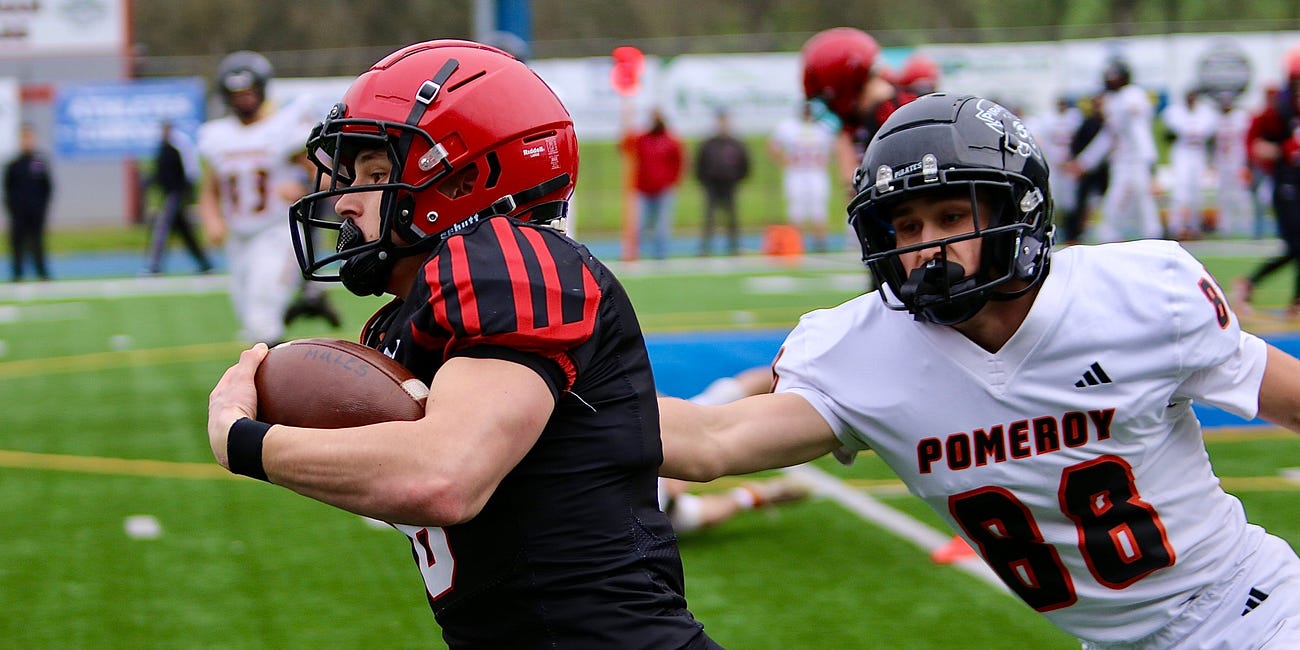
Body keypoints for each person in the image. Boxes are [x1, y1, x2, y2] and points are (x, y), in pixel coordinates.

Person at [658, 93, 1300, 648]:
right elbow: (713, 442)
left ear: (1012, 212)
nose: (926, 246)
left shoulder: (1136, 295)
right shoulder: (860, 351)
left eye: (951, 216)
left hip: (1255, 613)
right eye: (906, 226)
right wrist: (567, 394)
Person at [207, 40, 719, 649]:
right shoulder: (407, 320)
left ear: (466, 181)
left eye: (375, 175)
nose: (343, 201)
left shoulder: (507, 263)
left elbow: (443, 478)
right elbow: (708, 441)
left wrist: (246, 442)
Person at [197, 50, 338, 345]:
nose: (243, 99)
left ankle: (275, 384)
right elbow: (210, 189)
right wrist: (211, 220)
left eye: (249, 91)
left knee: (262, 319)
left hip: (278, 232)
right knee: (251, 319)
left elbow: (324, 176)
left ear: (262, 89)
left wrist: (300, 189)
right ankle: (277, 376)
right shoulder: (217, 135)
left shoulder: (282, 127)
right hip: (239, 238)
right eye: (236, 93)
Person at [660, 367, 809, 534]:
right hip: (651, 502)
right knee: (707, 514)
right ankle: (756, 494)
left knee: (725, 396)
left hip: (653, 453)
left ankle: (794, 371)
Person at [1067, 58, 1162, 243]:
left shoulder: (1133, 95)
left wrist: (1150, 163)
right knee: (1114, 202)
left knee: (1143, 201)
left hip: (1138, 160)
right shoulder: (1113, 100)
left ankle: (1154, 238)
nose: (1110, 81)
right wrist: (1085, 162)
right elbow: (1109, 136)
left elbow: (1140, 131)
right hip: (1121, 161)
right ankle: (1109, 239)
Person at [1235, 53, 1300, 317]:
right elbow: (1257, 145)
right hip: (1286, 185)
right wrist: (1283, 151)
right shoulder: (1278, 113)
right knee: (1297, 245)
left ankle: (1295, 301)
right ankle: (1250, 283)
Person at [142, 121, 213, 276]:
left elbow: (184, 174)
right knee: (185, 232)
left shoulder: (175, 150)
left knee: (162, 230)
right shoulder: (162, 149)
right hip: (169, 195)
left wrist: (184, 194)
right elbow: (160, 174)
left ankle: (154, 266)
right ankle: (205, 264)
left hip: (174, 196)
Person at [767, 102, 836, 253]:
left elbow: (835, 147)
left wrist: (827, 160)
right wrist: (783, 161)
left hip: (816, 172)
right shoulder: (788, 127)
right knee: (796, 210)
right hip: (796, 172)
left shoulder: (823, 128)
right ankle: (795, 244)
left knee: (819, 209)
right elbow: (773, 145)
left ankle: (821, 244)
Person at [623, 107, 685, 260]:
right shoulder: (642, 139)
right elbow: (625, 146)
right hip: (643, 188)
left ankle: (660, 255)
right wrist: (627, 121)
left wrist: (672, 182)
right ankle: (636, 253)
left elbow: (679, 162)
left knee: (662, 226)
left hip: (663, 190)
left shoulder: (671, 141)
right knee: (639, 225)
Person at [1161, 89, 1217, 240]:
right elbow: (1176, 129)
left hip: (1198, 152)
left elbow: (1205, 132)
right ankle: (1176, 227)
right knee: (1180, 190)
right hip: (1182, 152)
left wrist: (1194, 133)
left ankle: (1194, 227)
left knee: (1196, 191)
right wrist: (1191, 132)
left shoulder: (1206, 112)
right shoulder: (1175, 111)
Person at [694, 109, 750, 256]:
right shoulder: (709, 143)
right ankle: (706, 248)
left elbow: (745, 163)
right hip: (712, 184)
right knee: (709, 218)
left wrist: (738, 178)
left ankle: (734, 246)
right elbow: (699, 163)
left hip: (729, 184)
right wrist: (704, 180)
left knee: (732, 217)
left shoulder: (735, 143)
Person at [1026, 98, 1083, 243]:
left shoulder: (1075, 118)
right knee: (1053, 198)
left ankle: (1072, 232)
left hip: (1071, 164)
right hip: (1054, 165)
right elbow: (1042, 142)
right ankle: (1053, 228)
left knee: (1071, 201)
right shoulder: (1047, 119)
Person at [5, 123, 54, 282]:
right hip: (19, 213)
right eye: (24, 138)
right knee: (17, 244)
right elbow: (7, 188)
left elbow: (47, 187)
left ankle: (42, 274)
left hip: (36, 212)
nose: (27, 141)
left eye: (29, 138)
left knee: (37, 243)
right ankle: (17, 275)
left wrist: (41, 207)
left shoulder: (38, 162)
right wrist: (13, 208)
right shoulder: (13, 165)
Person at [1210, 94, 1253, 238]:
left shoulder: (1241, 117)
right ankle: (1225, 226)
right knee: (1224, 194)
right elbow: (1214, 142)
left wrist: (1248, 161)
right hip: (1223, 161)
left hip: (1238, 160)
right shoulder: (1216, 119)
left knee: (1241, 193)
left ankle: (1246, 224)